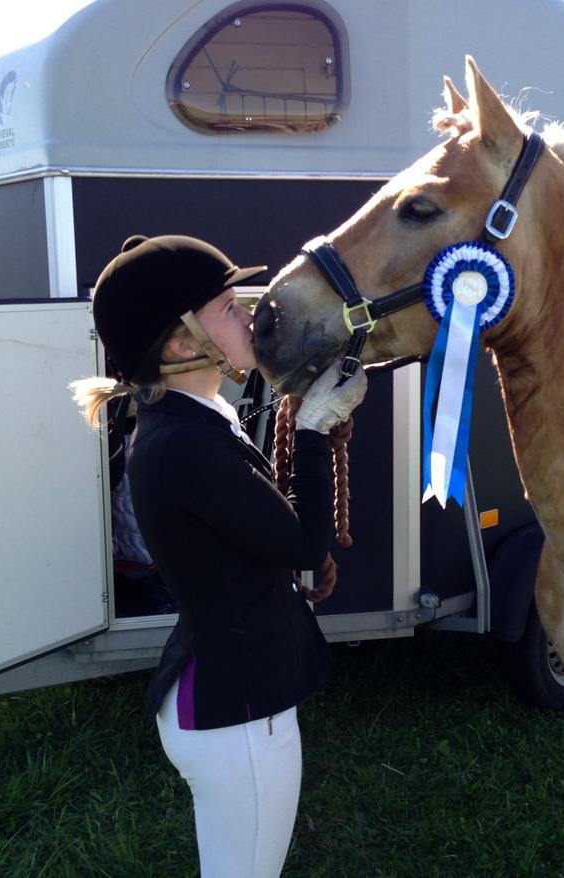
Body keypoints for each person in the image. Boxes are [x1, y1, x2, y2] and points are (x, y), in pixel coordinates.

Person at [71, 234, 366, 877]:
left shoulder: (196, 416)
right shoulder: (185, 443)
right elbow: (301, 545)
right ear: (182, 343)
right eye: (230, 307)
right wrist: (313, 432)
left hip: (228, 698)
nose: (250, 316)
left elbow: (264, 530)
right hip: (236, 718)